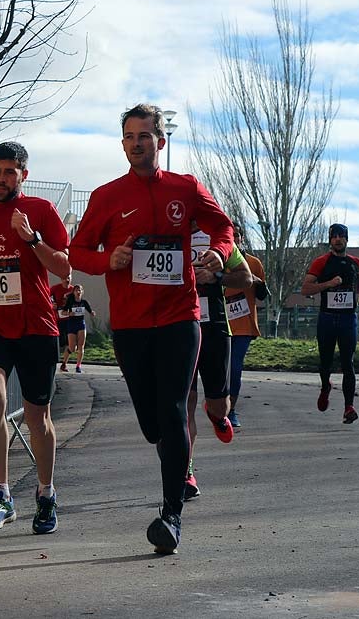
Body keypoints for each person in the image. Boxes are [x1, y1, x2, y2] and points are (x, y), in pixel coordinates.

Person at [69, 103, 234, 555]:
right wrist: (109, 260)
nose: (137, 143)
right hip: (132, 324)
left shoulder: (186, 187)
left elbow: (222, 227)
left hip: (181, 318)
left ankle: (171, 515)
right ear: (122, 143)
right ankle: (168, 454)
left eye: (145, 136)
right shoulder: (106, 197)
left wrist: (218, 253)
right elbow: (77, 251)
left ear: (161, 141)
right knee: (151, 421)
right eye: (129, 136)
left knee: (175, 408)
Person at [0, 141, 71, 534]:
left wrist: (32, 238)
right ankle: (0, 494)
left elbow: (64, 266)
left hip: (37, 324)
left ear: (24, 173)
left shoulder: (41, 211)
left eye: (9, 172)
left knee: (38, 417)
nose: (1, 179)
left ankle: (45, 493)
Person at [184, 222, 252, 500]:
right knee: (183, 404)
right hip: (179, 325)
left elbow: (246, 279)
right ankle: (185, 473)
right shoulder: (166, 236)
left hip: (214, 326)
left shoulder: (218, 241)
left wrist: (218, 277)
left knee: (219, 404)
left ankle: (215, 414)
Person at [300, 223, 359, 424]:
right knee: (325, 362)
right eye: (334, 236)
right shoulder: (321, 262)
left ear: (347, 239)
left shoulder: (355, 262)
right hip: (327, 318)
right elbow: (305, 289)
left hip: (349, 319)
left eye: (342, 236)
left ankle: (349, 407)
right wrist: (329, 284)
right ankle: (326, 386)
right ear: (330, 240)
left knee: (348, 362)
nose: (338, 239)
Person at [224, 226, 268, 428]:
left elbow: (262, 296)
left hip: (243, 325)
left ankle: (231, 410)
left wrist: (257, 282)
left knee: (235, 367)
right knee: (220, 368)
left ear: (242, 239)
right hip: (220, 324)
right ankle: (218, 404)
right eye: (230, 235)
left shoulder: (253, 263)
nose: (234, 239)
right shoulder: (217, 260)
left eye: (237, 236)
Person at [61, 284, 97, 373]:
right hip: (72, 324)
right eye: (76, 290)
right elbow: (62, 312)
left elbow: (90, 311)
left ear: (82, 292)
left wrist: (92, 313)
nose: (78, 292)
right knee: (72, 348)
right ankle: (64, 363)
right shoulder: (70, 301)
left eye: (80, 290)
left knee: (81, 346)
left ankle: (78, 366)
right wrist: (69, 314)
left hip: (81, 324)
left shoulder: (84, 302)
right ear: (73, 292)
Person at [49, 274, 73, 369]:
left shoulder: (73, 289)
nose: (66, 280)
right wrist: (52, 304)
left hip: (70, 319)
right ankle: (53, 360)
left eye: (69, 278)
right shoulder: (55, 288)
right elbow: (46, 296)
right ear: (61, 279)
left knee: (71, 344)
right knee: (60, 342)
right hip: (58, 319)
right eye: (64, 278)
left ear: (71, 278)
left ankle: (64, 363)